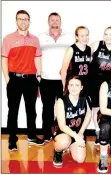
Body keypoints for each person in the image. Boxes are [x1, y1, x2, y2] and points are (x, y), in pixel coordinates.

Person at [1, 10, 44, 151]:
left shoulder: (35, 40)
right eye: (20, 19)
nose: (23, 21)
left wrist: (39, 77)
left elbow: (37, 58)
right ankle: (12, 140)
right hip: (15, 80)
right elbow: (4, 59)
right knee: (13, 111)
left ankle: (31, 136)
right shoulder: (8, 39)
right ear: (16, 21)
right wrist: (8, 79)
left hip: (31, 80)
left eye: (25, 19)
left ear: (29, 21)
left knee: (31, 111)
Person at [38, 12, 75, 142]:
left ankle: (61, 134)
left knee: (64, 109)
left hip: (63, 81)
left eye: (57, 20)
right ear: (48, 22)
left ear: (61, 22)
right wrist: (38, 77)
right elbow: (36, 58)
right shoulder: (40, 38)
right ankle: (47, 134)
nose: (54, 22)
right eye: (52, 20)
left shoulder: (70, 37)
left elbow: (74, 57)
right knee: (47, 109)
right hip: (46, 79)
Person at [89, 26, 111, 145]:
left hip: (108, 84)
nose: (108, 37)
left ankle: (106, 132)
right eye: (106, 34)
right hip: (94, 82)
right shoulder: (96, 44)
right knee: (95, 109)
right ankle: (98, 132)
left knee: (106, 109)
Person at [52, 76, 92, 166]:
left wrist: (81, 133)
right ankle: (57, 151)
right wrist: (76, 137)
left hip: (77, 131)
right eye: (71, 85)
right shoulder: (61, 101)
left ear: (81, 87)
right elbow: (62, 126)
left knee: (80, 159)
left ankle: (70, 146)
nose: (74, 88)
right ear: (68, 87)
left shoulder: (86, 99)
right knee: (64, 141)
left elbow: (88, 116)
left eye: (77, 85)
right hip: (63, 131)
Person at [60, 26, 91, 97]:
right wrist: (64, 86)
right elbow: (63, 70)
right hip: (74, 83)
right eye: (82, 36)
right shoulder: (71, 49)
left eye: (86, 35)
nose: (85, 38)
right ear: (77, 37)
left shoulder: (89, 49)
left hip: (85, 83)